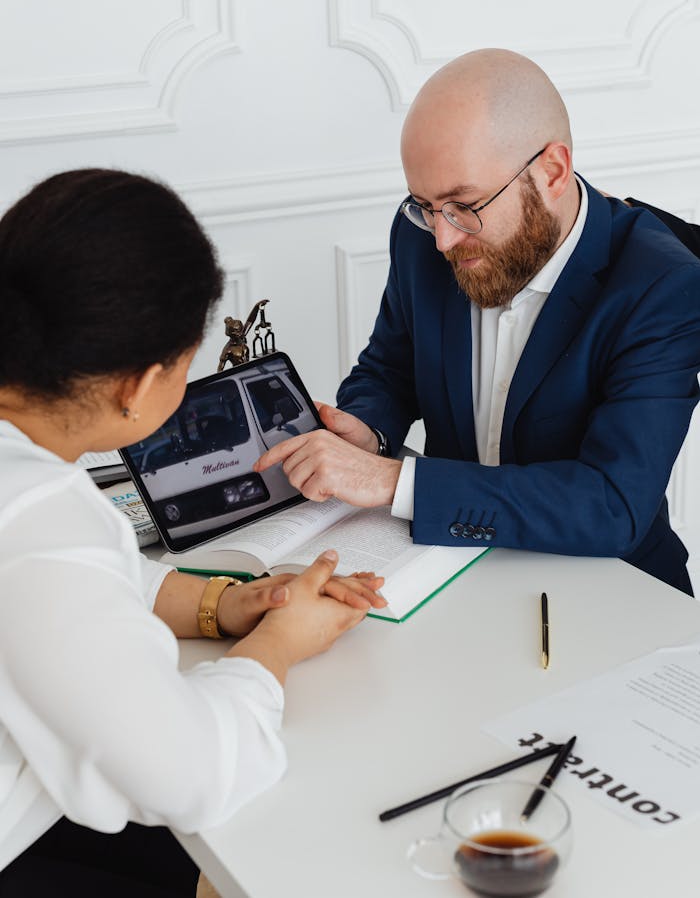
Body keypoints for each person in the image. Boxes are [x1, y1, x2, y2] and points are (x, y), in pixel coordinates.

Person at [0, 169, 386, 896]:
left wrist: (225, 604)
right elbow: (192, 775)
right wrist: (278, 644)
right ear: (140, 386)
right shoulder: (38, 511)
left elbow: (62, 594)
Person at [255, 48, 700, 595]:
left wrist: (394, 480)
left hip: (615, 591)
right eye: (425, 205)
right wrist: (367, 432)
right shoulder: (422, 234)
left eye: (464, 205)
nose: (443, 239)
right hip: (455, 572)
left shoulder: (662, 284)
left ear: (552, 171)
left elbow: (611, 503)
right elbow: (390, 367)